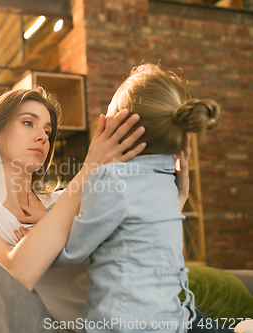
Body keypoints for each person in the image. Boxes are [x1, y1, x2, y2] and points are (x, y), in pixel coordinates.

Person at [0, 86, 148, 328]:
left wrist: (178, 196)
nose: (43, 137)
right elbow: (14, 275)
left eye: (48, 131)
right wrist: (89, 170)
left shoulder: (62, 201)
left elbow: (136, 245)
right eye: (29, 123)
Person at [45, 63, 221, 333]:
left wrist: (38, 233)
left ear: (119, 128)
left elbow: (71, 251)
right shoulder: (167, 182)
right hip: (169, 319)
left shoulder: (114, 180)